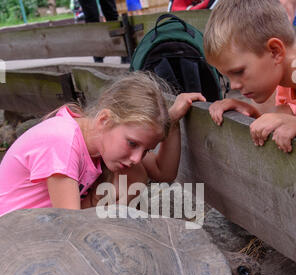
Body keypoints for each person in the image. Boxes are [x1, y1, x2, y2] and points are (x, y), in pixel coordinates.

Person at [0, 72, 205, 217]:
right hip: (14, 239)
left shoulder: (99, 138)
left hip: (45, 225)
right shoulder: (63, 140)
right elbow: (72, 225)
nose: (136, 157)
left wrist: (173, 122)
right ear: (104, 120)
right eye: (132, 143)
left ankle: (117, 219)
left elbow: (163, 172)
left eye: (146, 150)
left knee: (135, 173)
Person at [203, 0, 296, 153]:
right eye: (227, 77)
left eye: (238, 72)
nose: (234, 85)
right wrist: (253, 114)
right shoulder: (286, 80)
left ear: (275, 51)